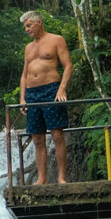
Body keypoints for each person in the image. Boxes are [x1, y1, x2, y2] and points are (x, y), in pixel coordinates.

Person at [19, 10, 73, 184]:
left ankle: (61, 177)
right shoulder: (28, 48)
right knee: (37, 137)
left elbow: (68, 66)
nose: (26, 30)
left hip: (51, 90)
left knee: (57, 134)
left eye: (29, 26)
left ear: (39, 23)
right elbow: (24, 75)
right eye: (25, 27)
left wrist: (61, 89)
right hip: (32, 94)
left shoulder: (56, 40)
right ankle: (42, 178)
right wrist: (22, 98)